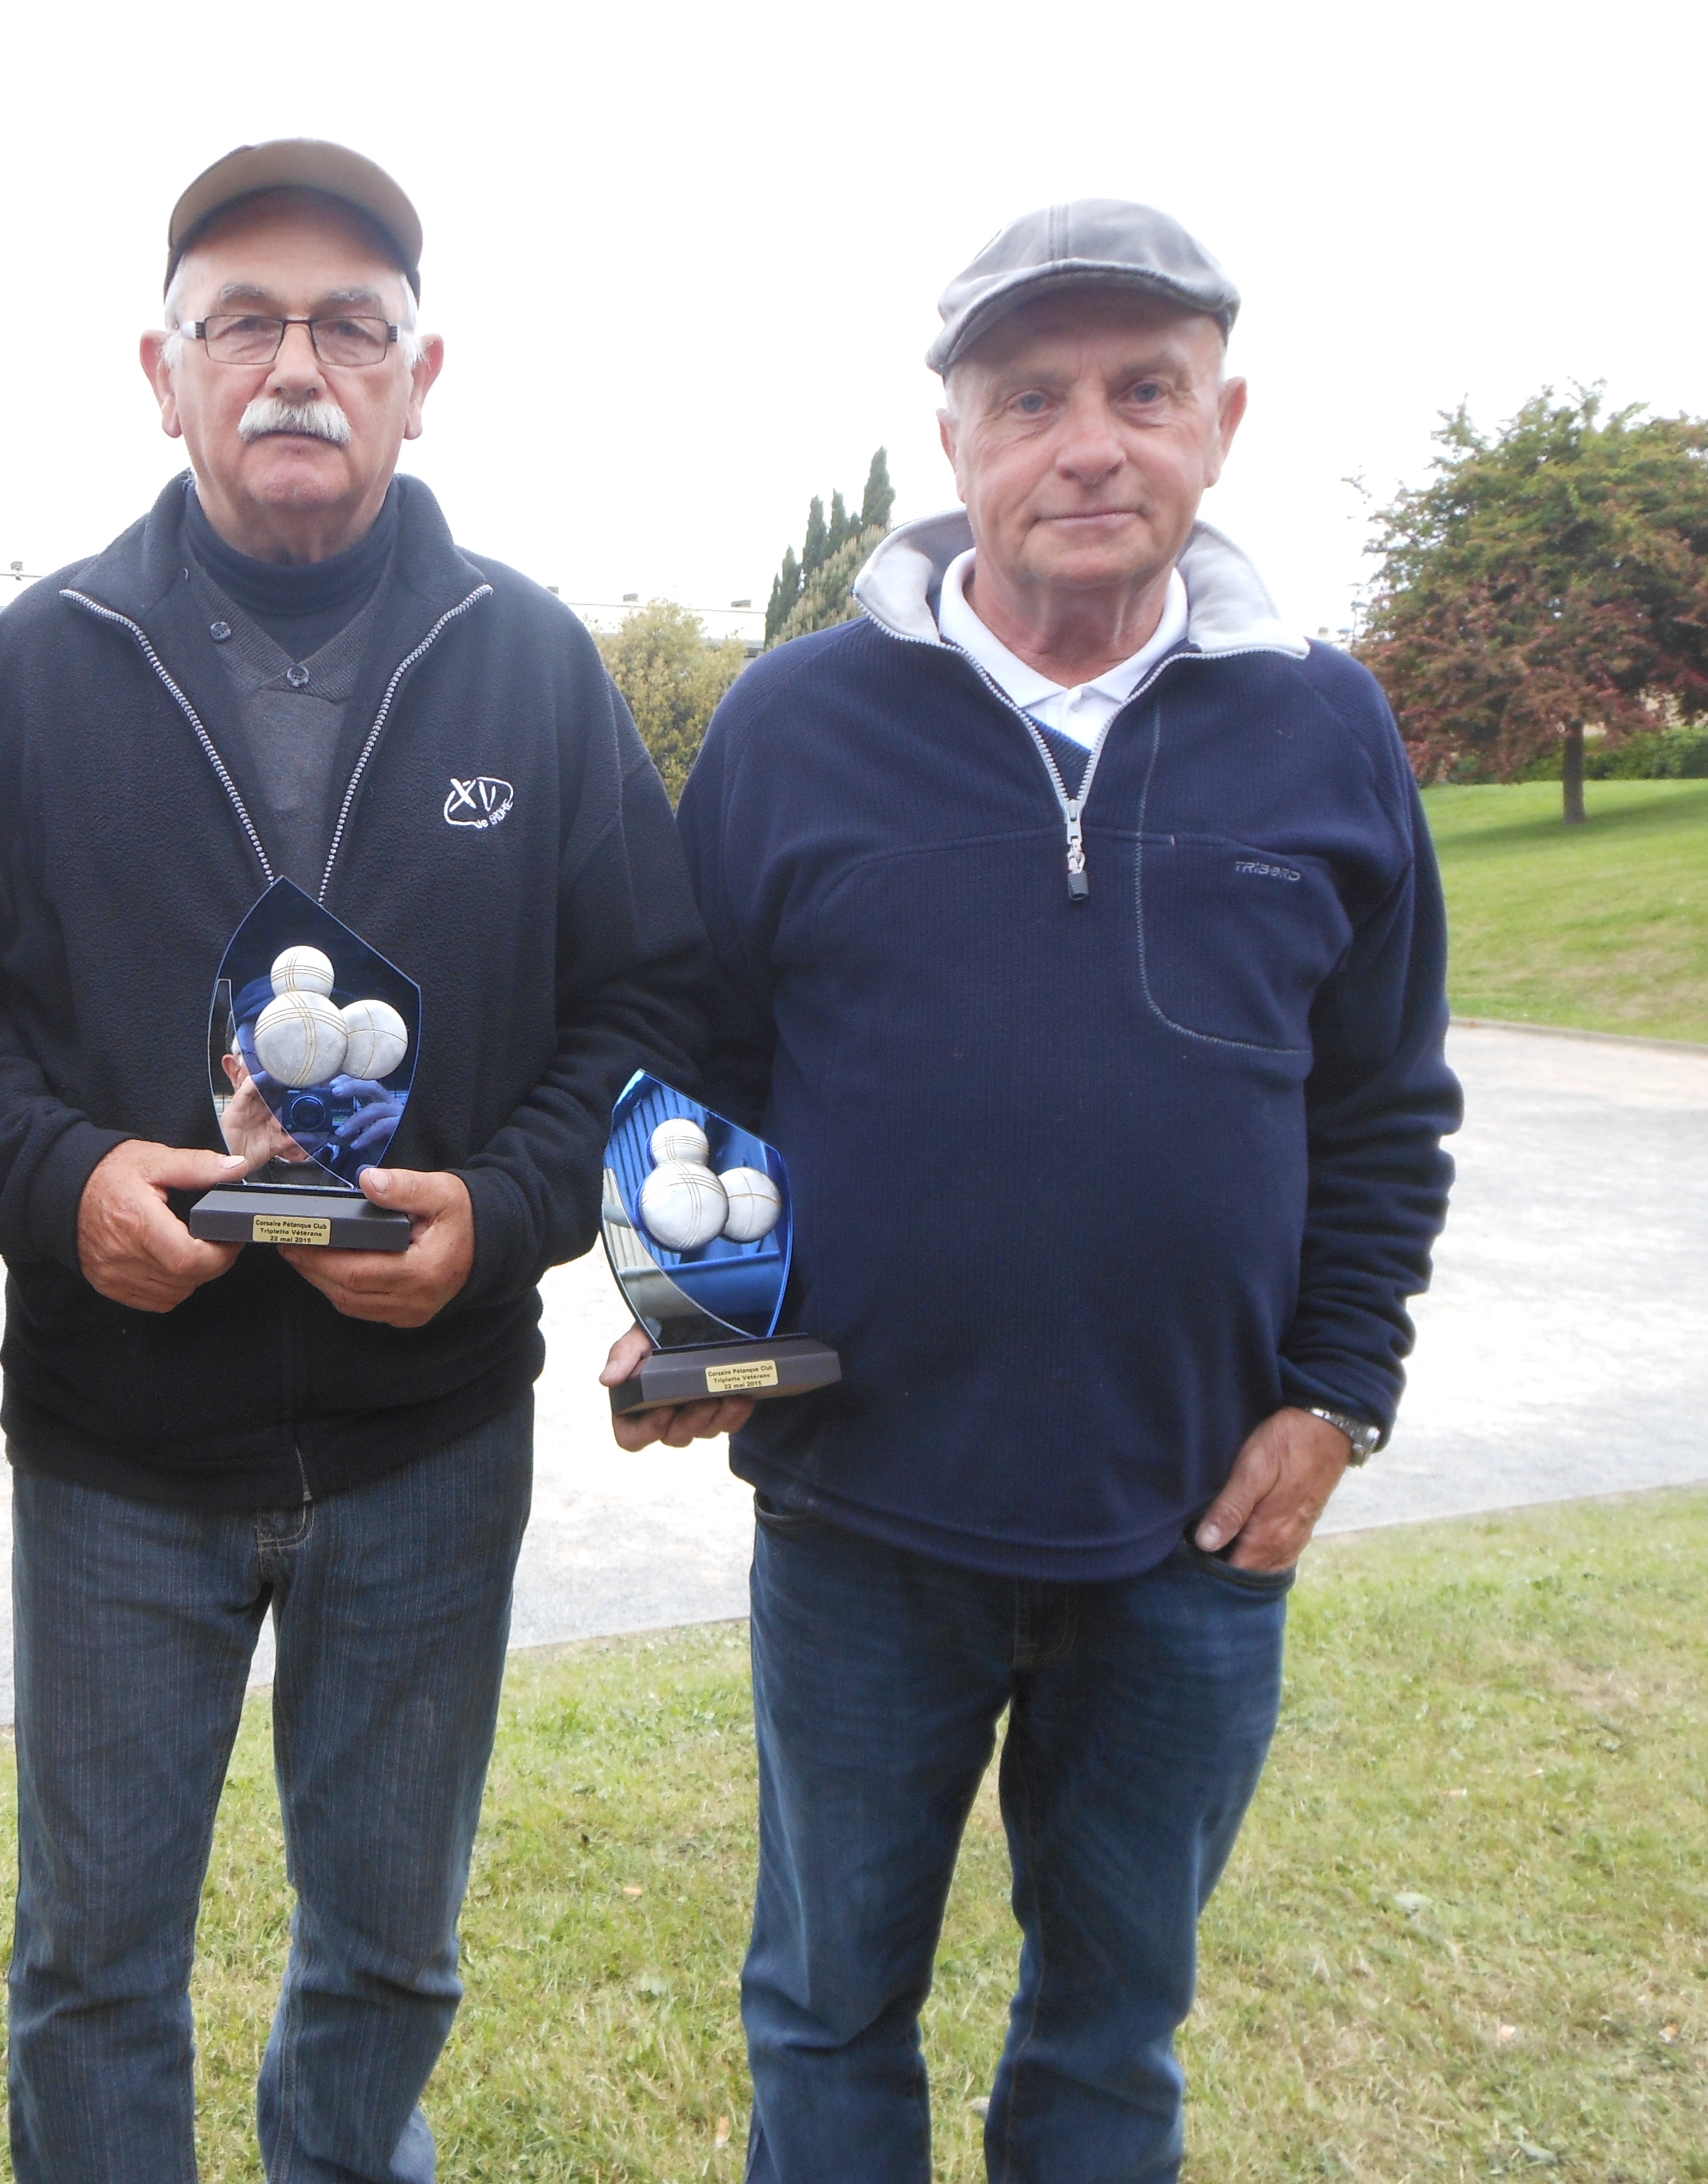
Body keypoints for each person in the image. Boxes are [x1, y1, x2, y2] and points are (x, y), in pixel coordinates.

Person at [609, 200, 1461, 2179]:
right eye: (1034, 397)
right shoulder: (793, 722)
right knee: (827, 2013)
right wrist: (698, 1331)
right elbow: (694, 1078)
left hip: (1191, 1541)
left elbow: (1385, 1107)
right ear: (956, 437)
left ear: (1222, 423)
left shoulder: (1325, 728)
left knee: (1111, 2037)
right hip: (861, 1526)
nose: (1091, 443)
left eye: (1143, 392)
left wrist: (1337, 1400)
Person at [0, 141, 706, 2183]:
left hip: (428, 1445)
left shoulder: (531, 665)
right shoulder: (25, 675)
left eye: (348, 326)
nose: (296, 367)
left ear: (420, 375)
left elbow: (644, 1005)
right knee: (95, 1965)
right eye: (242, 323)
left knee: (388, 1951)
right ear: (158, 372)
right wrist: (68, 1182)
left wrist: (507, 1222)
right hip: (119, 1454)